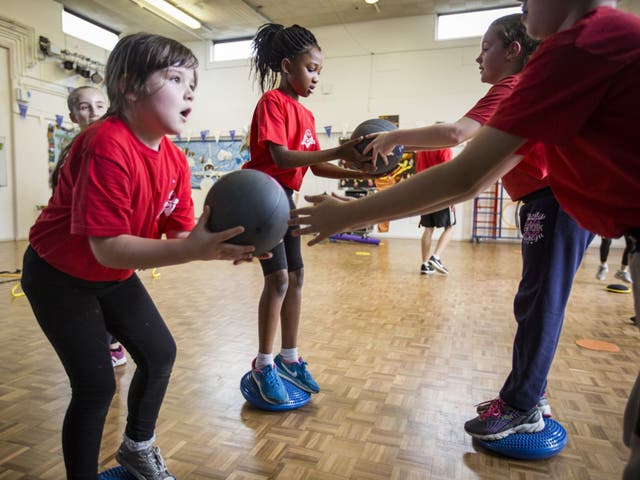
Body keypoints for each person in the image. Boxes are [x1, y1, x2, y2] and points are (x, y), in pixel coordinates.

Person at [290, 2, 640, 475]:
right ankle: (526, 397)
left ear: (514, 51)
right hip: (565, 209)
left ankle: (526, 405)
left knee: (541, 305)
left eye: (486, 47)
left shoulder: (570, 52)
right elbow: (471, 171)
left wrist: (353, 207)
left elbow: (465, 170)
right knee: (536, 303)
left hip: (555, 204)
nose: (522, 4)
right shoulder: (579, 49)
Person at [21, 33, 262, 479]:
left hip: (110, 273)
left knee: (160, 353)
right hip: (58, 274)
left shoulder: (174, 160)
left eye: (193, 83)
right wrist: (193, 250)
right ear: (130, 87)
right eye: (174, 78)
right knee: (95, 386)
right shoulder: (105, 144)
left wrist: (229, 239)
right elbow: (108, 246)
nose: (189, 91)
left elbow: (181, 231)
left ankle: (137, 447)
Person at [243, 23, 372, 405]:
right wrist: (339, 151)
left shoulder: (307, 116)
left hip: (286, 199)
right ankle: (263, 364)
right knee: (279, 280)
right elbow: (282, 157)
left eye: (319, 71)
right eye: (311, 68)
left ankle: (289, 359)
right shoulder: (273, 103)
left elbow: (315, 167)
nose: (316, 77)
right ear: (287, 66)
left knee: (297, 276)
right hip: (263, 197)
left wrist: (360, 171)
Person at [51, 86, 128, 368]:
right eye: (85, 106)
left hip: (107, 242)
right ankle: (101, 344)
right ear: (73, 115)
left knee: (110, 291)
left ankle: (113, 343)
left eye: (98, 104)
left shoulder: (111, 143)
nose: (93, 111)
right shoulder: (72, 150)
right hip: (76, 243)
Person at [415, 148, 455, 275]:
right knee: (450, 226)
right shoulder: (445, 148)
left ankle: (425, 264)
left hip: (424, 191)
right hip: (441, 192)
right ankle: (436, 257)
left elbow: (418, 171)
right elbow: (449, 172)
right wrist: (452, 197)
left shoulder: (422, 150)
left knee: (428, 228)